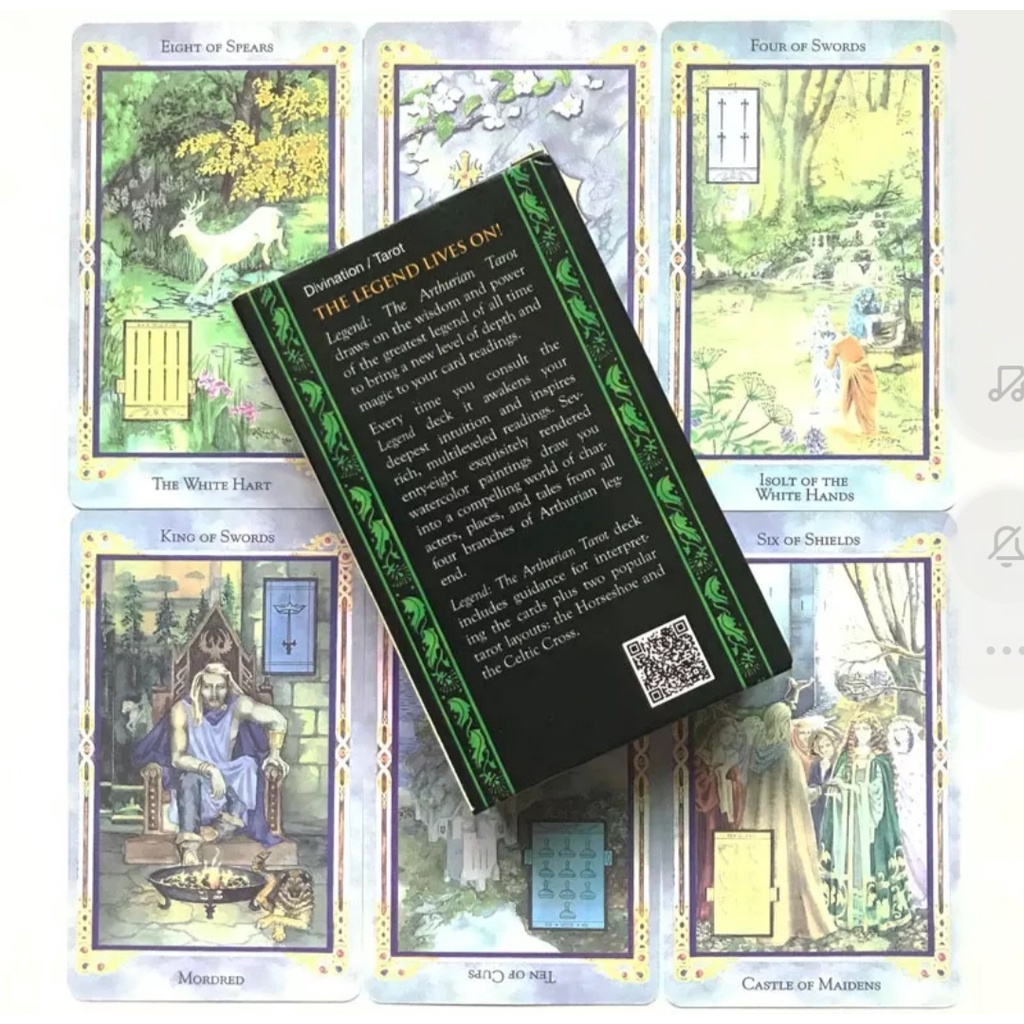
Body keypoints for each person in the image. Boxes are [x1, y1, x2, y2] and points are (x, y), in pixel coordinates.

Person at [133, 661, 289, 865]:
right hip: (196, 775)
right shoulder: (182, 709)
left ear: (228, 687)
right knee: (188, 778)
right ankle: (189, 848)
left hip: (227, 778)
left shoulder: (238, 706)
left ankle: (223, 826)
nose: (214, 694)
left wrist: (275, 753)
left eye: (220, 687)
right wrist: (211, 770)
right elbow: (178, 758)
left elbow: (279, 720)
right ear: (199, 687)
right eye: (208, 687)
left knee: (248, 766)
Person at [740, 701, 836, 946]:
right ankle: (788, 926)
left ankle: (759, 927)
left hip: (759, 825)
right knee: (787, 868)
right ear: (783, 724)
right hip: (785, 828)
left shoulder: (755, 755)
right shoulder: (786, 756)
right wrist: (820, 790)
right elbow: (799, 796)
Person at [820, 713, 912, 931]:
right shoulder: (846, 756)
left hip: (871, 822)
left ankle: (873, 915)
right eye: (858, 728)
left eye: (866, 729)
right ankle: (847, 913)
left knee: (870, 860)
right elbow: (838, 780)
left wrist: (855, 789)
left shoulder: (880, 759)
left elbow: (879, 791)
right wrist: (838, 785)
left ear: (874, 732)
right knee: (848, 859)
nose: (862, 733)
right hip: (848, 820)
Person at [693, 712, 747, 922]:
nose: (728, 739)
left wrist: (733, 778)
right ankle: (703, 904)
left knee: (723, 857)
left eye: (732, 736)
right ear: (716, 734)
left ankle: (725, 905)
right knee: (706, 858)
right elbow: (700, 792)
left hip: (724, 816)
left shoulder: (730, 759)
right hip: (708, 818)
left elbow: (738, 787)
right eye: (725, 734)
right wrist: (715, 772)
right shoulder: (701, 758)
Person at [887, 716, 929, 908]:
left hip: (919, 806)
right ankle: (915, 893)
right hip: (901, 806)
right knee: (907, 846)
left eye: (902, 729)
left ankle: (928, 889)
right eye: (895, 730)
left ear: (910, 731)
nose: (899, 734)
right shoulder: (892, 754)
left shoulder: (920, 752)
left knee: (921, 845)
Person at [807, 729, 839, 845]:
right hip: (818, 809)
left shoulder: (839, 763)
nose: (825, 750)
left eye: (827, 745)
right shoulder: (815, 765)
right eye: (821, 747)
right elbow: (812, 784)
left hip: (834, 808)